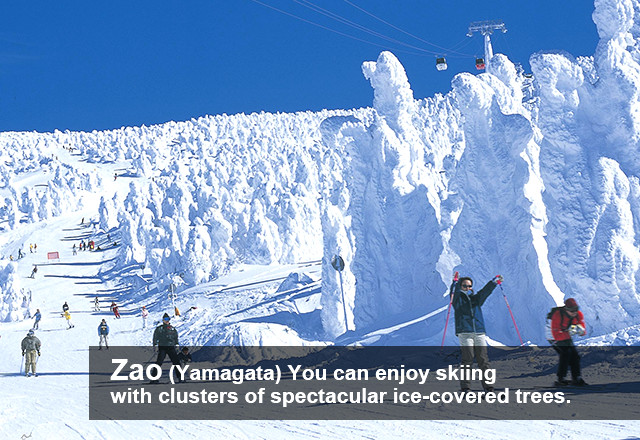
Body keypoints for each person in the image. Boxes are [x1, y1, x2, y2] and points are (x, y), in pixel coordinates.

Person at [450, 272, 503, 392]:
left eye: (469, 286)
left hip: (479, 332)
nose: (467, 288)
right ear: (460, 286)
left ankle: (488, 387)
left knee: (483, 359)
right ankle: (465, 387)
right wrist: (454, 283)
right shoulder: (457, 300)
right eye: (464, 286)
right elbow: (453, 293)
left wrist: (493, 282)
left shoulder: (476, 299)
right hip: (465, 332)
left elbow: (485, 292)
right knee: (468, 358)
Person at [549, 298, 587, 386]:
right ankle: (561, 378)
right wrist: (568, 332)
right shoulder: (557, 315)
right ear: (566, 309)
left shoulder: (578, 315)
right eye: (571, 310)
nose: (574, 312)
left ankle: (577, 378)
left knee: (575, 356)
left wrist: (581, 330)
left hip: (566, 336)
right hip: (553, 337)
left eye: (576, 310)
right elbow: (556, 335)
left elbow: (583, 330)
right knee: (565, 353)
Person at [152, 313, 180, 382]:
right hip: (162, 347)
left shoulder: (172, 329)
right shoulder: (159, 329)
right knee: (159, 362)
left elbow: (175, 337)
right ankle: (154, 378)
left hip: (171, 347)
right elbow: (155, 337)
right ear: (163, 320)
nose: (166, 321)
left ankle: (180, 377)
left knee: (176, 362)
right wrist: (155, 345)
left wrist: (176, 344)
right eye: (165, 319)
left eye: (168, 319)